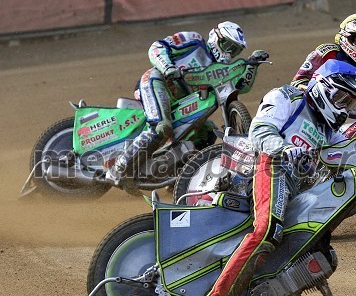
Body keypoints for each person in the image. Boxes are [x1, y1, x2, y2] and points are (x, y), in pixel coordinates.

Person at [200, 59, 356, 296]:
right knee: (267, 230)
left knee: (315, 243)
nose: (344, 108)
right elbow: (260, 130)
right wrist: (282, 147)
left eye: (351, 104)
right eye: (342, 98)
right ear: (323, 88)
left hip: (297, 185)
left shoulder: (328, 130)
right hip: (269, 166)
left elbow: (351, 152)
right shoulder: (288, 97)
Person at [106, 21, 269, 185]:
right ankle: (118, 169)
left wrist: (252, 65)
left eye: (235, 50)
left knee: (208, 131)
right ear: (215, 37)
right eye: (227, 45)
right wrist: (167, 67)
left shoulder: (222, 68)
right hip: (158, 81)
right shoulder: (194, 40)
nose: (229, 53)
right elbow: (157, 47)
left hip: (181, 101)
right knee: (161, 128)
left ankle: (180, 180)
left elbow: (241, 87)